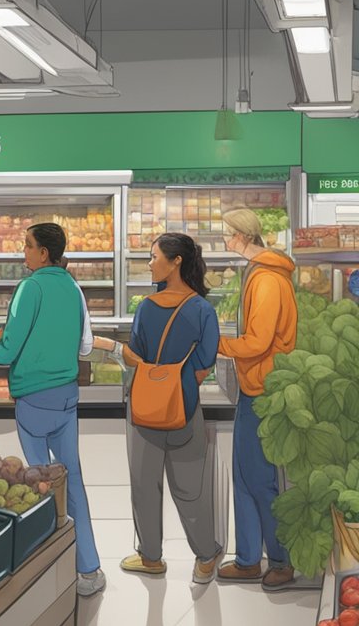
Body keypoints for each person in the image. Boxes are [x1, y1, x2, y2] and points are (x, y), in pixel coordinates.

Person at [0, 223, 104, 596]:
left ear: (43, 253)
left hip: (33, 398)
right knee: (73, 478)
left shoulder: (28, 288)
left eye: (28, 246)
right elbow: (84, 347)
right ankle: (90, 570)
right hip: (67, 396)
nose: (23, 253)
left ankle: (48, 568)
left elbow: (8, 349)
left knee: (39, 482)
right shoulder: (72, 287)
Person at [94, 233, 223, 583]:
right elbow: (204, 363)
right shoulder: (203, 309)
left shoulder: (147, 308)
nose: (150, 263)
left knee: (144, 484)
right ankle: (206, 557)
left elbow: (137, 357)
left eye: (153, 257)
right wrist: (180, 386)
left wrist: (116, 350)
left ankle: (151, 558)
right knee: (191, 488)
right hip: (185, 408)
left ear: (175, 261)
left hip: (144, 407)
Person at [215, 208, 298, 590]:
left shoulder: (266, 279)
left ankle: (279, 560)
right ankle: (249, 558)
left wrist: (218, 345)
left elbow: (259, 341)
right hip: (253, 386)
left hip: (263, 389)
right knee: (245, 476)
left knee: (260, 478)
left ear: (244, 235)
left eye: (228, 233)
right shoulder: (259, 273)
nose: (224, 240)